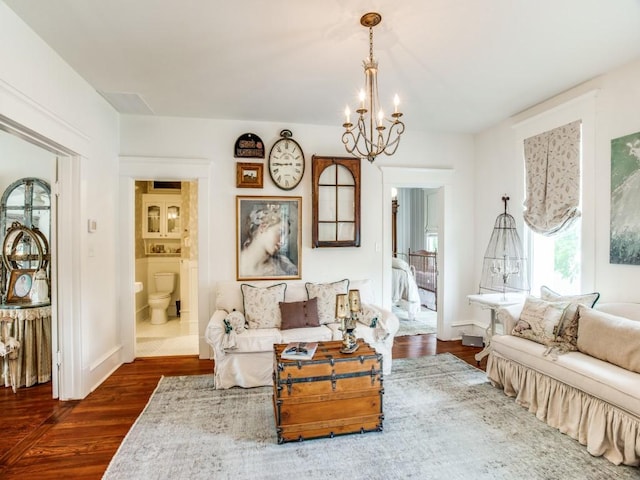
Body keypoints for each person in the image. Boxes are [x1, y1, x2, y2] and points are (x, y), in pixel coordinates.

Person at [239, 204, 297, 277]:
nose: (283, 242)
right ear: (263, 228)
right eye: (280, 232)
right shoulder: (234, 261)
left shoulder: (285, 266)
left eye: (286, 236)